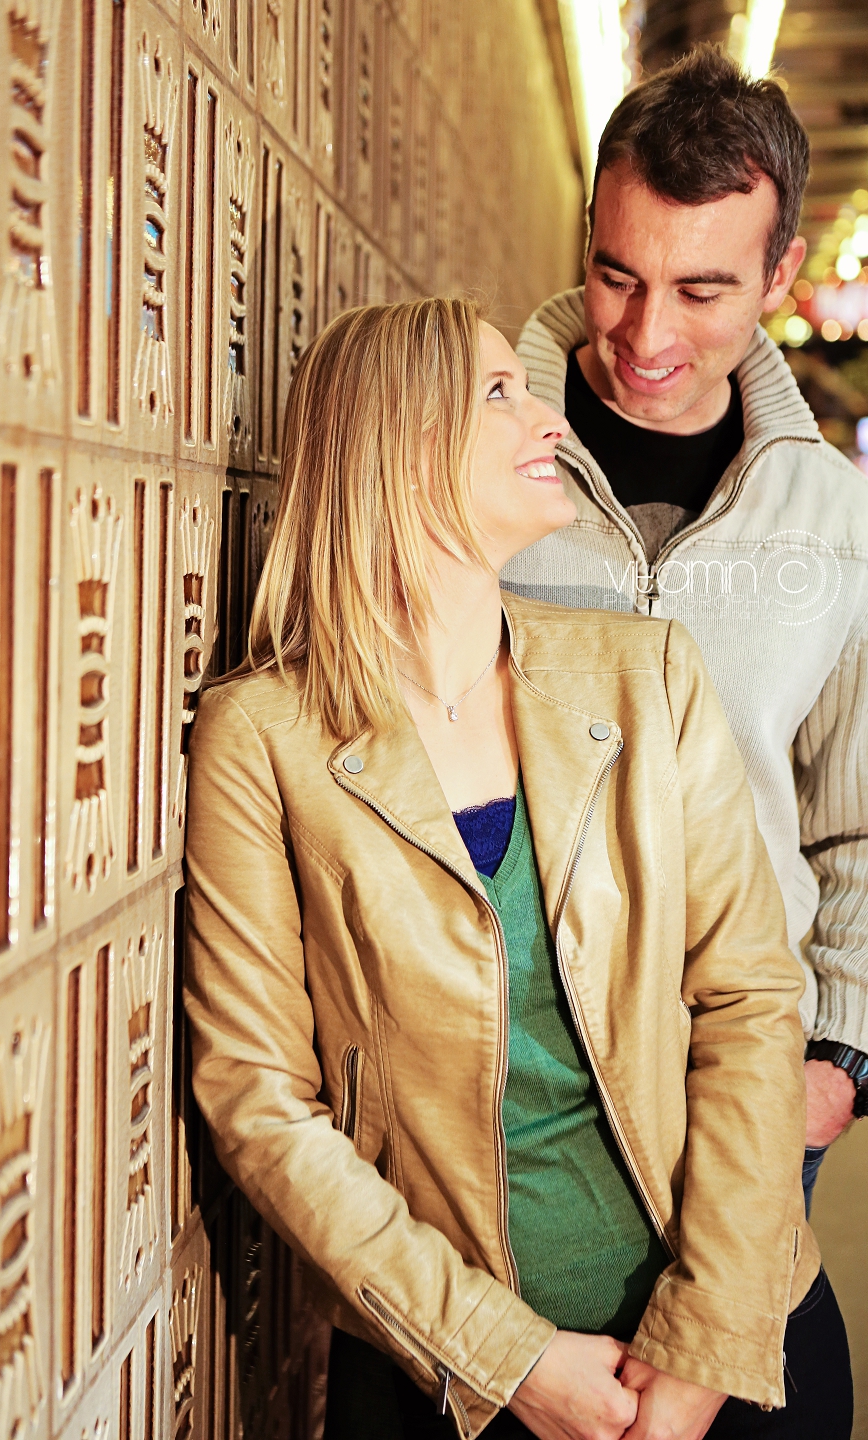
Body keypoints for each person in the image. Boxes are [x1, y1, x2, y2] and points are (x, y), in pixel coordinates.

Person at [183, 297, 844, 1440]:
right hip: (452, 1383)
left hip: (741, 1340)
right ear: (399, 440)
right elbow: (260, 1101)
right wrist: (510, 1358)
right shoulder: (262, 734)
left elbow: (749, 1000)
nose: (552, 419)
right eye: (501, 392)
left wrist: (704, 1346)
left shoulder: (649, 676)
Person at [503, 46, 868, 1222]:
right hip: (510, 1073)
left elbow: (857, 819)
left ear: (779, 272)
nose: (646, 334)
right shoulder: (468, 454)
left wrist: (838, 1063)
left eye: (702, 291)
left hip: (746, 1076)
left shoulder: (836, 517)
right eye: (617, 276)